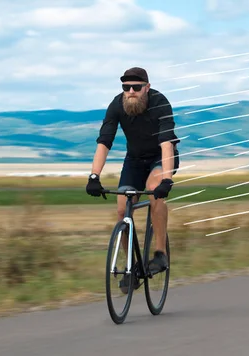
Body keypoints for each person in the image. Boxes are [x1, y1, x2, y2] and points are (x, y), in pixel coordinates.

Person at [85, 67, 180, 294]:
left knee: (153, 189)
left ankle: (160, 254)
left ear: (146, 87)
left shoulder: (159, 103)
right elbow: (104, 142)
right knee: (122, 210)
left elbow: (166, 143)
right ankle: (131, 266)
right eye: (126, 88)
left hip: (161, 157)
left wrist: (167, 179)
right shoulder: (117, 105)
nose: (130, 92)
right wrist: (94, 176)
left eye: (136, 88)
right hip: (135, 160)